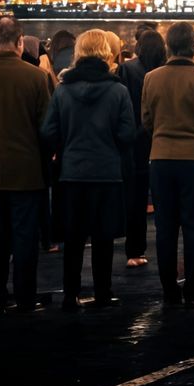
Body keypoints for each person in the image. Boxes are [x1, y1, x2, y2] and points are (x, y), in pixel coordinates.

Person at [40, 30, 134, 312]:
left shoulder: (63, 90)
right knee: (103, 238)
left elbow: (48, 132)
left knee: (74, 238)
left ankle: (71, 294)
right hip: (107, 172)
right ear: (105, 52)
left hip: (72, 172)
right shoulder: (118, 90)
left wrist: (64, 147)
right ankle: (103, 292)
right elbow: (128, 134)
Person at [142, 20, 194, 309]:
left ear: (168, 46)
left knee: (165, 228)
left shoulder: (151, 78)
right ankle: (193, 290)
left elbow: (146, 120)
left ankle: (169, 291)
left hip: (161, 159)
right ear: (193, 46)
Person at [0, 12, 52, 314]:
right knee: (25, 240)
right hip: (26, 172)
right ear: (19, 41)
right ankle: (25, 298)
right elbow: (46, 129)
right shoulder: (35, 77)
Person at [118, 28, 165, 270]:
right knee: (165, 201)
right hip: (162, 141)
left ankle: (135, 250)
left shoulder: (127, 70)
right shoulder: (165, 72)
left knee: (135, 200)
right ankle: (167, 248)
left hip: (135, 141)